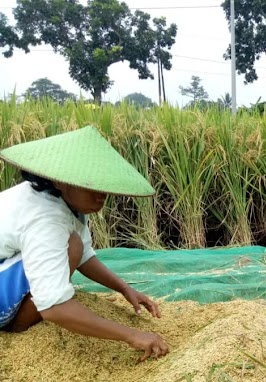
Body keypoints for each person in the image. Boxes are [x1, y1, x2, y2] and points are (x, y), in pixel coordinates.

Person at [0, 126, 169, 362]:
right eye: (90, 184)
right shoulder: (44, 218)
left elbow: (84, 257)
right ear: (60, 181)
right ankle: (16, 329)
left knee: (74, 247)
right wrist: (132, 335)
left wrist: (124, 288)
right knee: (70, 249)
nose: (101, 194)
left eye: (102, 184)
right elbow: (54, 307)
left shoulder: (69, 203)